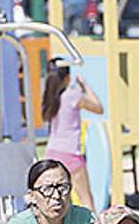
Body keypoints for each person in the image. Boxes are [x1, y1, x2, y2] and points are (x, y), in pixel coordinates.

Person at [41, 61, 104, 212]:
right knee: (86, 200)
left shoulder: (50, 98)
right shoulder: (72, 96)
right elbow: (98, 107)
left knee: (59, 202)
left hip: (52, 153)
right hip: (70, 153)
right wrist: (85, 86)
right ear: (67, 77)